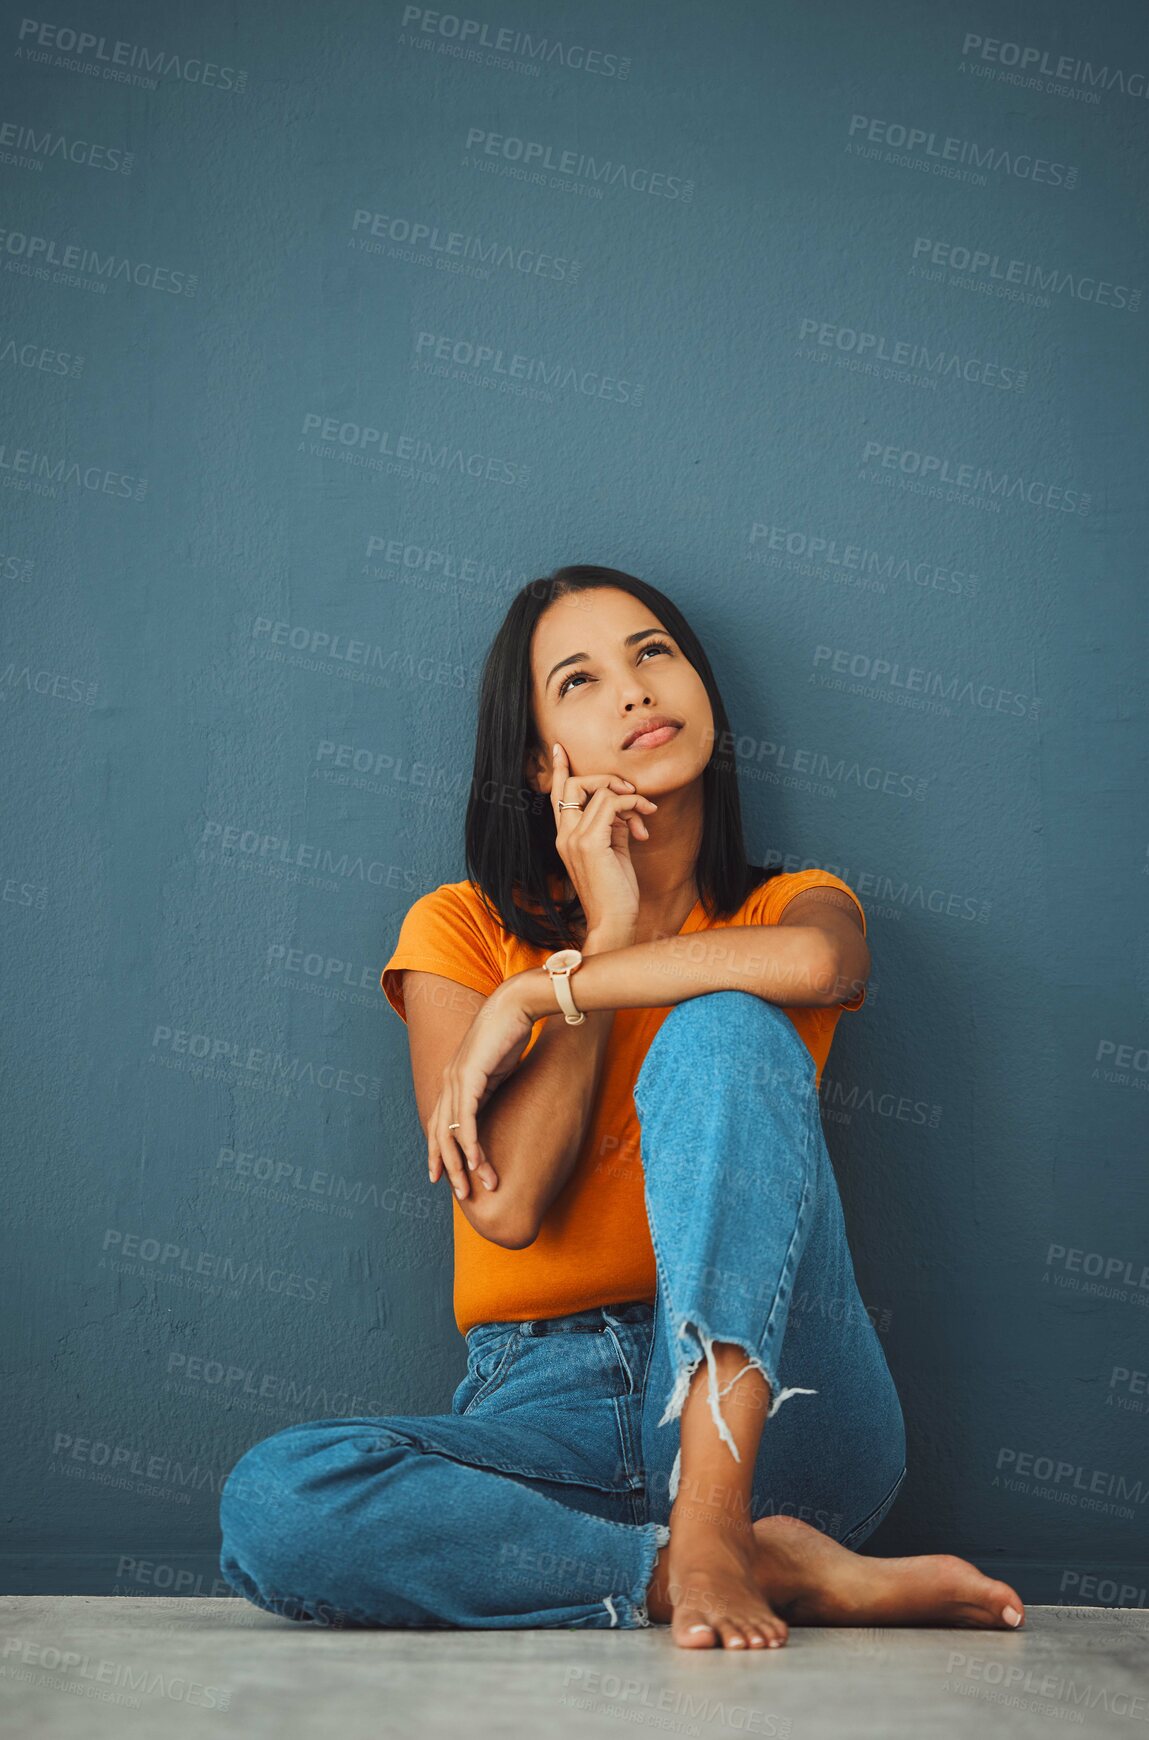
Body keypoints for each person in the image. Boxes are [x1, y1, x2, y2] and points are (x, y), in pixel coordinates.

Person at [218, 564, 1027, 1649]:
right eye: (581, 680)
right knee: (275, 1501)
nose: (636, 691)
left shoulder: (784, 906)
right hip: (545, 1414)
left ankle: (717, 1520)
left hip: (786, 1413)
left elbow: (822, 963)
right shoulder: (460, 931)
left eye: (653, 653)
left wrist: (552, 992)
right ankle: (711, 1566)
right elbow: (505, 1210)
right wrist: (603, 937)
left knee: (726, 1022)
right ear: (533, 756)